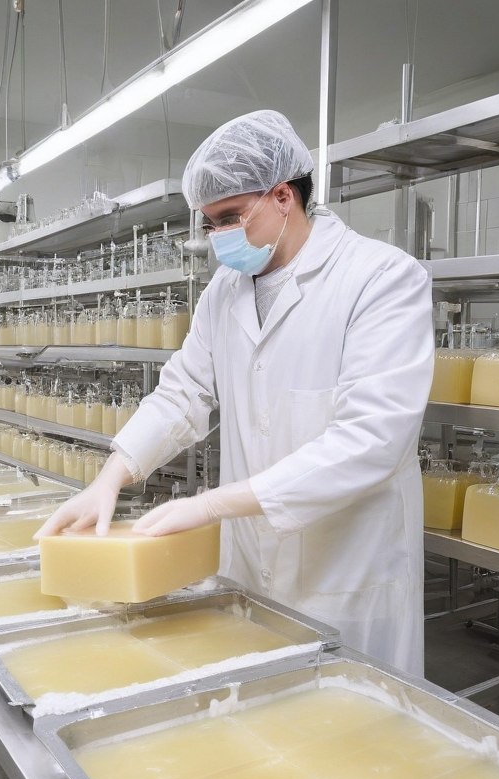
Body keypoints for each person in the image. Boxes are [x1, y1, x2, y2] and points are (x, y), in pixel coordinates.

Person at [36, 111, 434, 676]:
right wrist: (112, 475)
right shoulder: (224, 291)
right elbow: (183, 390)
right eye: (209, 223)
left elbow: (372, 441)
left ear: (283, 196)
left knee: (350, 720)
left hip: (348, 574)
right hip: (250, 568)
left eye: (229, 217)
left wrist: (209, 506)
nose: (217, 236)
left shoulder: (381, 278)